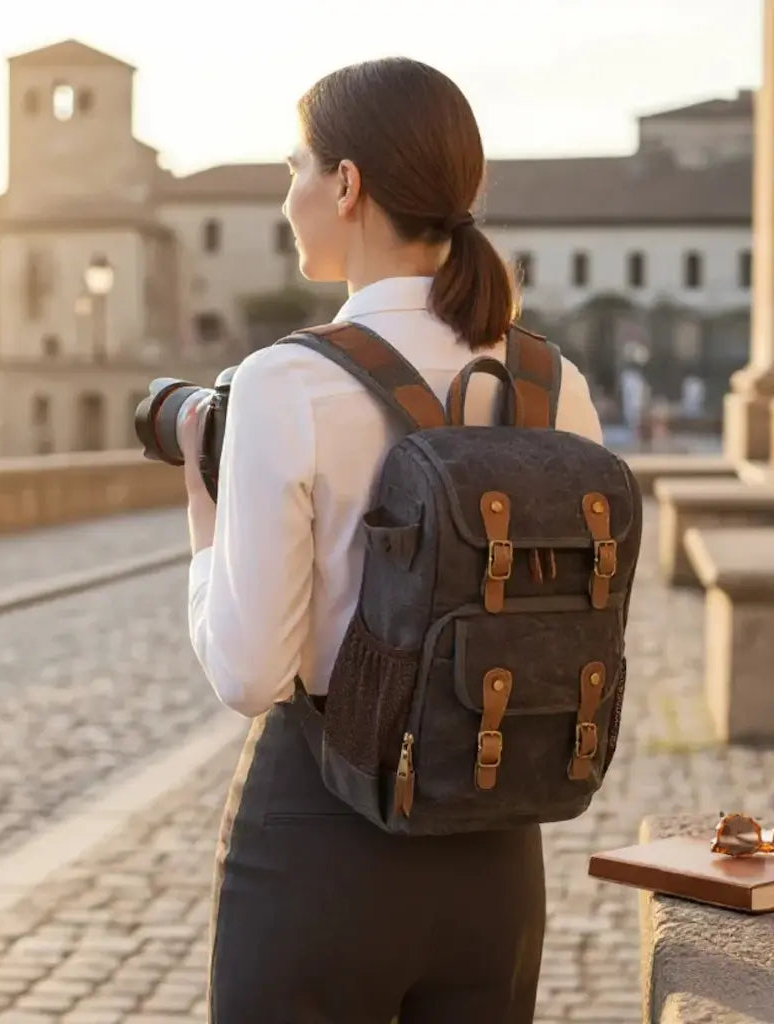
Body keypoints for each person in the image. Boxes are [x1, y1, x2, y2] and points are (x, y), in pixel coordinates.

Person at [178, 56, 603, 1024]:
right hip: (497, 837)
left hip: (322, 838)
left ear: (345, 182)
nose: (288, 197)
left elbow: (248, 676)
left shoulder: (288, 380)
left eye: (295, 166)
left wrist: (205, 521)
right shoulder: (551, 380)